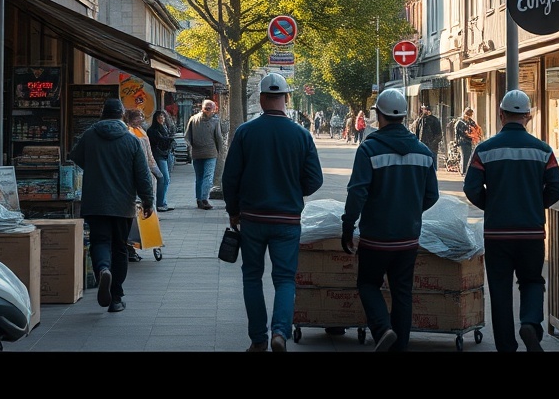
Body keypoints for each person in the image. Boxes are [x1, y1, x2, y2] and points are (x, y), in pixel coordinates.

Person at [223, 72, 324, 352]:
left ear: (261, 98)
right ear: (286, 98)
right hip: (287, 220)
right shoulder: (301, 135)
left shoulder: (245, 132)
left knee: (252, 277)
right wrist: (293, 190)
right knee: (285, 279)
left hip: (252, 219)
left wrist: (234, 210)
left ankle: (258, 340)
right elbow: (315, 179)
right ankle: (280, 332)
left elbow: (230, 178)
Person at [463, 90, 559, 352]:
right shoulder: (543, 150)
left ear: (501, 115)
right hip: (531, 232)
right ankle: (530, 323)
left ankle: (506, 346)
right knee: (532, 281)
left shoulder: (485, 149)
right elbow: (557, 186)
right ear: (527, 116)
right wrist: (535, 205)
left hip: (497, 233)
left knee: (499, 290)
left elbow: (471, 188)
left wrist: (492, 206)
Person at [341, 88, 439, 352]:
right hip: (408, 238)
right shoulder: (423, 152)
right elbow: (432, 195)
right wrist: (410, 211)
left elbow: (357, 192)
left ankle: (383, 329)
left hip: (375, 237)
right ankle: (400, 346)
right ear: (404, 116)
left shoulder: (368, 149)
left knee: (367, 283)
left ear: (378, 114)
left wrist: (348, 226)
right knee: (402, 292)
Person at [69, 97, 155, 314]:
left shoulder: (90, 135)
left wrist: (95, 165)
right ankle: (116, 297)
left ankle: (103, 270)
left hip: (95, 201)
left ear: (102, 114)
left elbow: (76, 157)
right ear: (121, 116)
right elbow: (142, 175)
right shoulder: (131, 140)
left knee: (99, 241)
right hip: (122, 204)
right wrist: (148, 201)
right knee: (120, 247)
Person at [184, 99, 224, 210]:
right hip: (210, 153)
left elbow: (187, 137)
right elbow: (219, 137)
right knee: (208, 177)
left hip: (197, 153)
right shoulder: (214, 121)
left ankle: (199, 200)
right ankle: (204, 199)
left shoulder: (193, 119)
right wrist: (220, 152)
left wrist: (190, 148)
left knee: (200, 177)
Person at [146, 109, 176, 212]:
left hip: (167, 154)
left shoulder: (165, 128)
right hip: (158, 155)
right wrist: (168, 140)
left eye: (162, 116)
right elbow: (157, 141)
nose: (161, 119)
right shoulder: (152, 130)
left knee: (166, 179)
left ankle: (163, 202)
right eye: (159, 117)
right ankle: (160, 203)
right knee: (163, 178)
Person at [454, 107, 480, 176]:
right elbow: (457, 133)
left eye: (470, 115)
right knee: (464, 156)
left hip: (469, 140)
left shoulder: (470, 121)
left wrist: (475, 134)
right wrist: (457, 142)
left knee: (469, 156)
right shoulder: (459, 122)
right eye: (467, 115)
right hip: (462, 141)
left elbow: (476, 127)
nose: (468, 117)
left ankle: (467, 170)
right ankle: (464, 171)